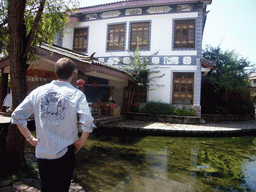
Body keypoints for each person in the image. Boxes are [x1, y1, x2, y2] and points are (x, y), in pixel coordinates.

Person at [11, 57, 95, 191]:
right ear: (72, 74)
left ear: (56, 72)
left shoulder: (38, 92)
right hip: (66, 151)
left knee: (46, 188)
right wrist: (81, 142)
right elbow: (88, 120)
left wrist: (30, 138)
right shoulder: (76, 94)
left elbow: (17, 115)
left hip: (43, 150)